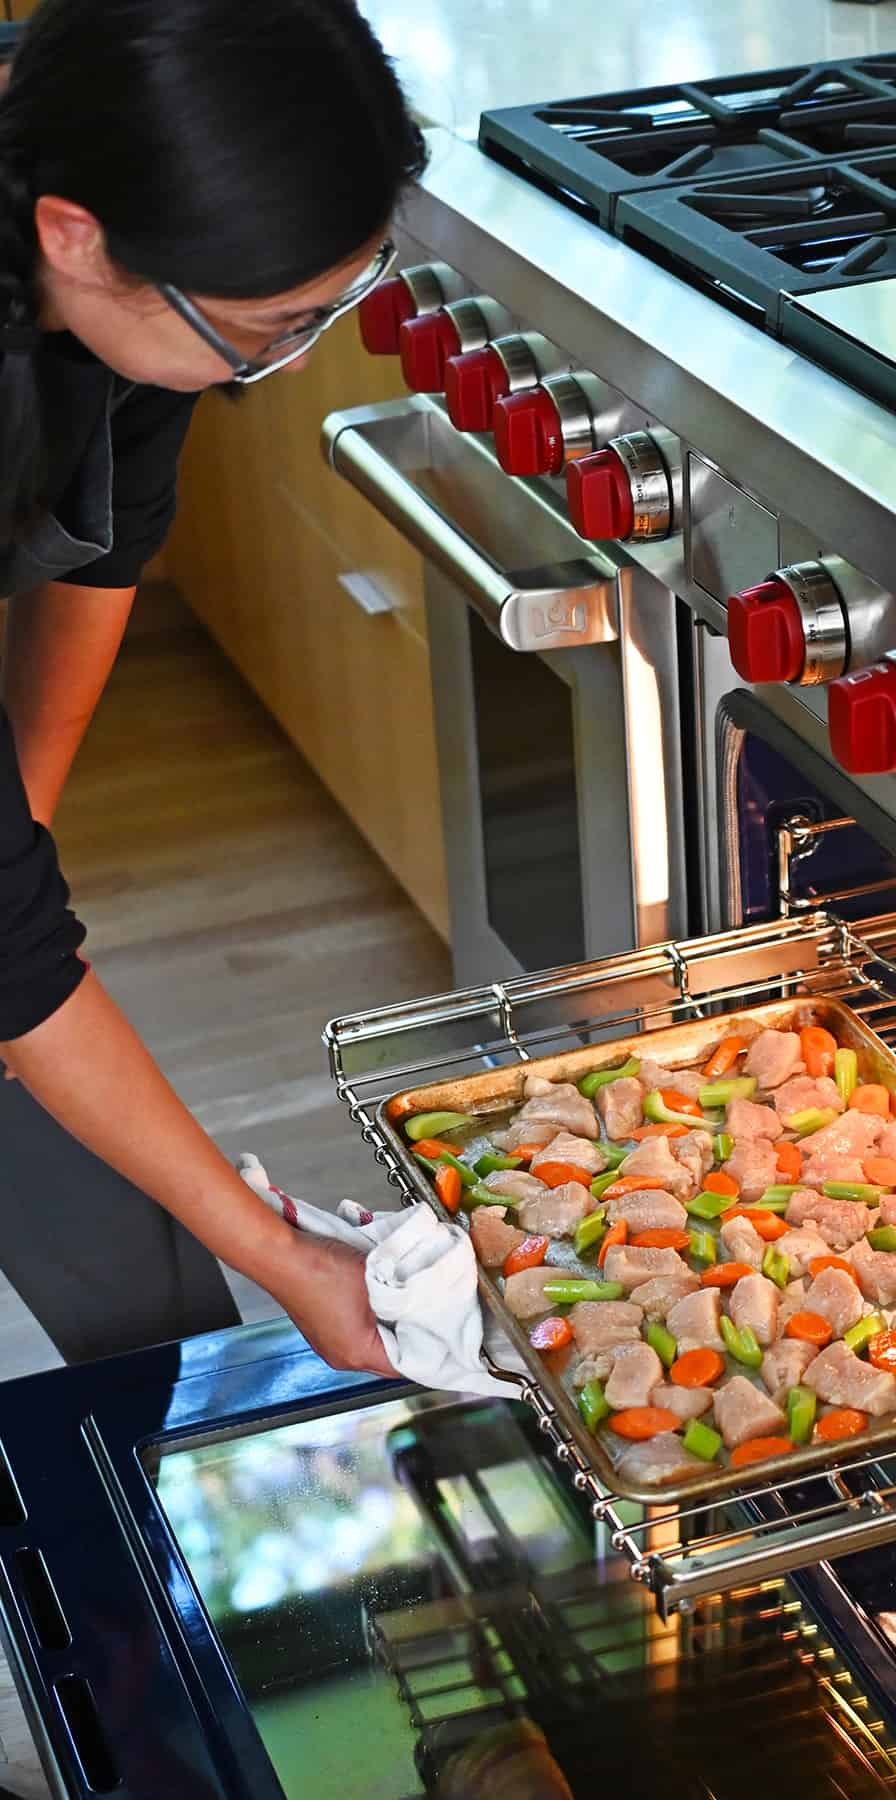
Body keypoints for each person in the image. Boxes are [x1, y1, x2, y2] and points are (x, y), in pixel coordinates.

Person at [0, 0, 428, 1373]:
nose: (286, 360)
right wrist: (290, 1255)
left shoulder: (140, 225)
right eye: (267, 327)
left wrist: (24, 836)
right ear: (72, 237)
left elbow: (100, 546)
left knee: (123, 1253)